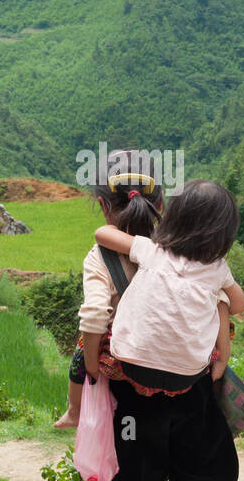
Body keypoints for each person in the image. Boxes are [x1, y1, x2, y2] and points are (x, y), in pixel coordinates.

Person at [90, 179, 244, 481]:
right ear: (222, 234)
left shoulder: (152, 249)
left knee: (131, 468)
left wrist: (136, 241)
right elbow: (242, 307)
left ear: (172, 217)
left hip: (132, 377)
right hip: (189, 383)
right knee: (210, 462)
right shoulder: (215, 268)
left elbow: (101, 234)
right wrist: (223, 298)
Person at [53, 152, 163, 430]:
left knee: (82, 347)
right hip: (175, 364)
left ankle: (74, 411)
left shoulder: (101, 257)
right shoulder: (175, 249)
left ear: (103, 205)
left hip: (122, 366)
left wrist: (92, 366)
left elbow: (94, 317)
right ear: (160, 203)